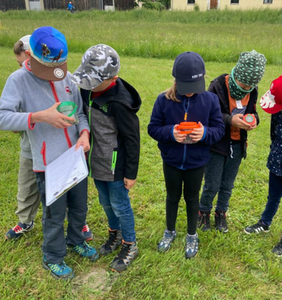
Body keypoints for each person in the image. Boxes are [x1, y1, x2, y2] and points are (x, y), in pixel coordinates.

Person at [0, 26, 99, 280]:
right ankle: (52, 256)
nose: (53, 76)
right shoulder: (17, 81)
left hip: (75, 159)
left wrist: (85, 133)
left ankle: (76, 239)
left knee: (79, 207)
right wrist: (39, 117)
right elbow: (3, 117)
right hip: (49, 164)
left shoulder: (64, 76)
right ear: (29, 53)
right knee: (54, 214)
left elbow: (79, 114)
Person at [71, 44, 141, 272]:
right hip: (96, 163)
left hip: (116, 168)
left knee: (120, 205)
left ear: (113, 78)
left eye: (93, 80)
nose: (87, 84)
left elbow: (132, 140)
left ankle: (130, 243)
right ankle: (115, 233)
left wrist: (131, 173)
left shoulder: (120, 104)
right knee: (104, 202)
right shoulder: (88, 89)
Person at [148, 51, 225, 258]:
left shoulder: (210, 100)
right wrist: (171, 133)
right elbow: (153, 128)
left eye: (194, 88)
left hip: (196, 162)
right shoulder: (163, 100)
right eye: (185, 88)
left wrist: (205, 133)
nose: (190, 93)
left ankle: (192, 234)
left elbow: (219, 129)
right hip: (172, 161)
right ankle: (170, 231)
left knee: (192, 198)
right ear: (175, 80)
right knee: (172, 197)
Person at [198, 50, 266, 233]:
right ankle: (203, 212)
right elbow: (207, 114)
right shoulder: (218, 86)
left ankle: (221, 213)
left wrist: (254, 120)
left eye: (250, 86)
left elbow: (253, 111)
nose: (246, 88)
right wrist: (230, 120)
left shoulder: (252, 90)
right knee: (212, 184)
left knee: (227, 184)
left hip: (237, 145)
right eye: (243, 84)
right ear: (236, 74)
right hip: (216, 145)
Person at [244, 73, 282, 257]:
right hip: (277, 160)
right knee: (273, 196)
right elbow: (274, 132)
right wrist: (275, 150)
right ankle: (264, 222)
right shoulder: (279, 110)